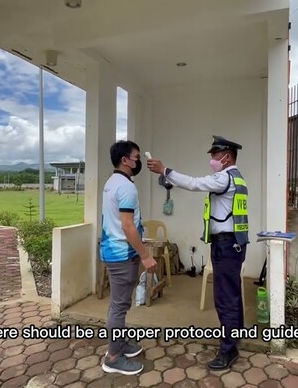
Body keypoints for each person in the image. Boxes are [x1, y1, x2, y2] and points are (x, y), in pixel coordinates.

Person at [146, 135, 249, 370]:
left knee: (224, 297)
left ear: (227, 156)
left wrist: (164, 170)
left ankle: (229, 349)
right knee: (231, 294)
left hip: (226, 244)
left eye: (214, 155)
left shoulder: (224, 178)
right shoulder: (238, 178)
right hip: (235, 243)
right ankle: (234, 339)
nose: (212, 159)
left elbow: (194, 183)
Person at [100, 140, 158, 376]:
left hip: (113, 251)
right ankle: (113, 357)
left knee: (119, 305)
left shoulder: (112, 182)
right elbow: (127, 226)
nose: (138, 162)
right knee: (119, 307)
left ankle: (120, 345)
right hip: (122, 254)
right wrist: (145, 256)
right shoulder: (126, 187)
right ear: (125, 160)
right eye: (136, 157)